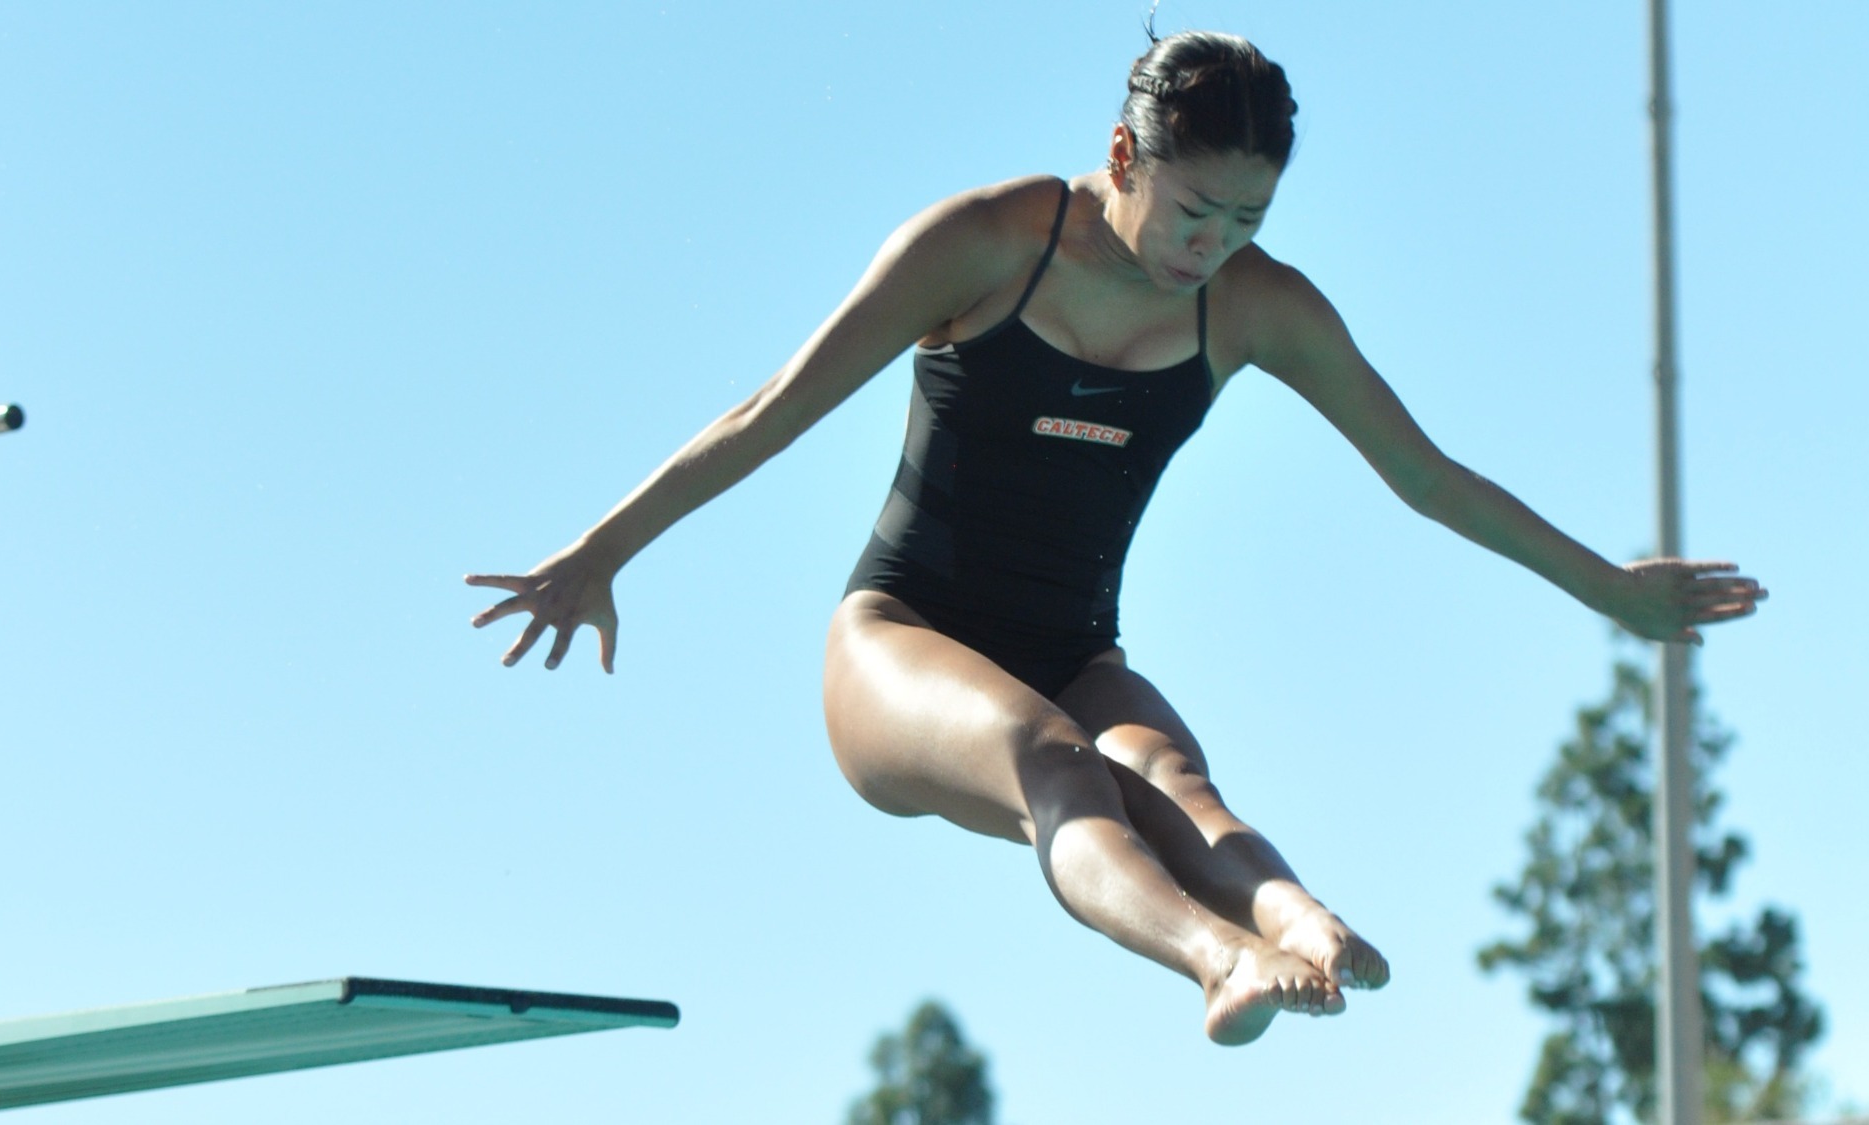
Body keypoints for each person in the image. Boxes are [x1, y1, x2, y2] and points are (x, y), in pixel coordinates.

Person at [465, 29, 1766, 1046]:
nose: (1214, 248)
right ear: (1125, 156)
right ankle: (1219, 959)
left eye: (1248, 220)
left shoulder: (1259, 308)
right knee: (1056, 758)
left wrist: (1609, 587)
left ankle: (1300, 920)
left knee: (1176, 774)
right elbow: (771, 411)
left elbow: (1423, 477)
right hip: (898, 642)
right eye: (1196, 210)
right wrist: (602, 550)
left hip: (1076, 643)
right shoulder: (984, 246)